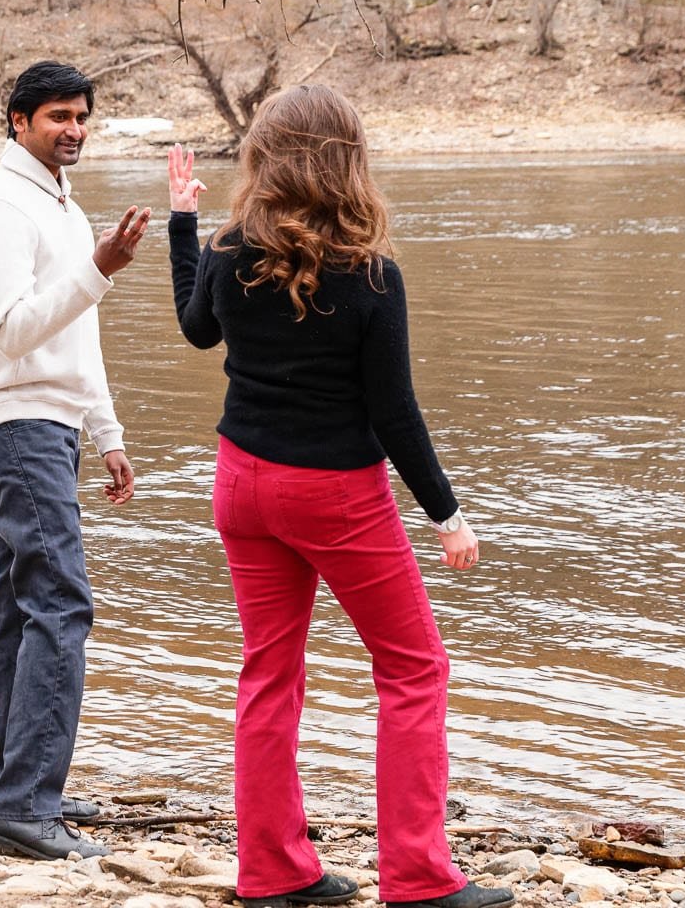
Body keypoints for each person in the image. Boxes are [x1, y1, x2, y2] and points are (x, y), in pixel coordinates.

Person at [164, 86, 513, 908]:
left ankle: (273, 873)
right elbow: (395, 413)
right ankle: (420, 878)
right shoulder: (371, 276)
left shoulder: (226, 252)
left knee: (269, 675)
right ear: (347, 162)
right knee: (414, 670)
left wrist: (185, 224)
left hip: (241, 485)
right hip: (335, 497)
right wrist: (448, 516)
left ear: (266, 157)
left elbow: (195, 329)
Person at [0, 60, 150, 861]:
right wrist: (99, 269)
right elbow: (12, 329)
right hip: (14, 419)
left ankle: (18, 786)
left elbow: (77, 336)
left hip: (49, 421)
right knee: (61, 605)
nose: (72, 129)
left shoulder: (61, 206)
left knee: (20, 606)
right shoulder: (0, 206)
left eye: (81, 117)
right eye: (57, 117)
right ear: (18, 121)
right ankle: (27, 807)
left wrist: (107, 434)